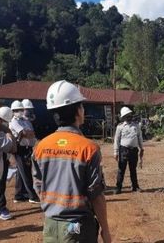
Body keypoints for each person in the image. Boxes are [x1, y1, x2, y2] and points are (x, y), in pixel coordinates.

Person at [32, 80, 111, 243]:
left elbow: (38, 185)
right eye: (81, 106)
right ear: (78, 111)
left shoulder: (40, 147)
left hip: (50, 226)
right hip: (77, 227)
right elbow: (96, 195)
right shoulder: (89, 148)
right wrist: (105, 230)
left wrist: (54, 208)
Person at [9, 100, 39, 204]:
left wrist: (28, 133)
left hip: (27, 148)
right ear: (13, 111)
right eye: (16, 110)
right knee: (25, 172)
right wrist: (27, 133)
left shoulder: (25, 120)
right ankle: (32, 195)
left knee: (21, 172)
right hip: (19, 149)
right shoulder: (13, 121)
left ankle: (19, 195)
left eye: (21, 109)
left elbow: (32, 133)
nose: (19, 111)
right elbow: (24, 132)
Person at [114, 106, 144, 194]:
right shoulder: (120, 127)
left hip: (134, 150)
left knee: (133, 169)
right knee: (121, 169)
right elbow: (116, 140)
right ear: (123, 117)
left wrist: (142, 148)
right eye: (127, 115)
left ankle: (135, 186)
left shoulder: (136, 126)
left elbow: (140, 137)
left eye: (130, 115)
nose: (129, 116)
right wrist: (115, 152)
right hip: (123, 150)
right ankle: (118, 187)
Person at [0, 107, 16, 220]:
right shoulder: (1, 133)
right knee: (0, 185)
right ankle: (1, 208)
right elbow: (12, 147)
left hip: (2, 158)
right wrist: (8, 131)